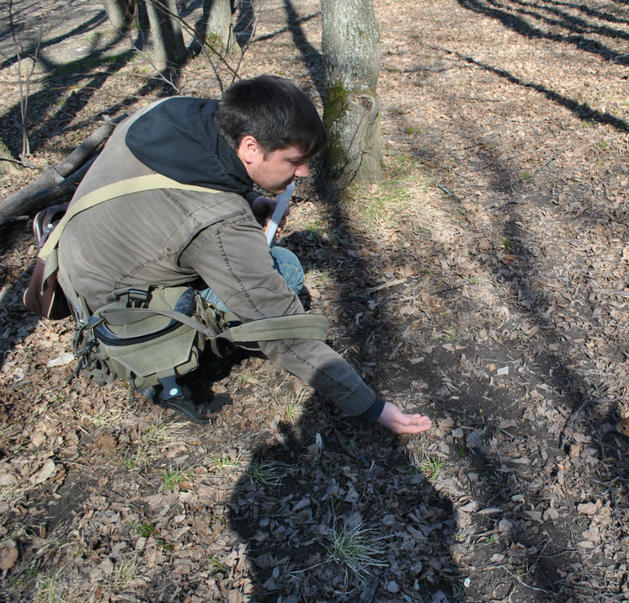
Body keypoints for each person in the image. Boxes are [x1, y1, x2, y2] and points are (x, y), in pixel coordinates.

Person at [56, 75, 431, 435]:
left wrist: (249, 201)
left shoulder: (176, 112)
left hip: (87, 263)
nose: (303, 172)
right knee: (285, 271)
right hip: (118, 310)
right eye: (294, 161)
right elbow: (281, 327)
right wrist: (370, 406)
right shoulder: (219, 224)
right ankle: (160, 371)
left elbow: (167, 204)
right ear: (250, 147)